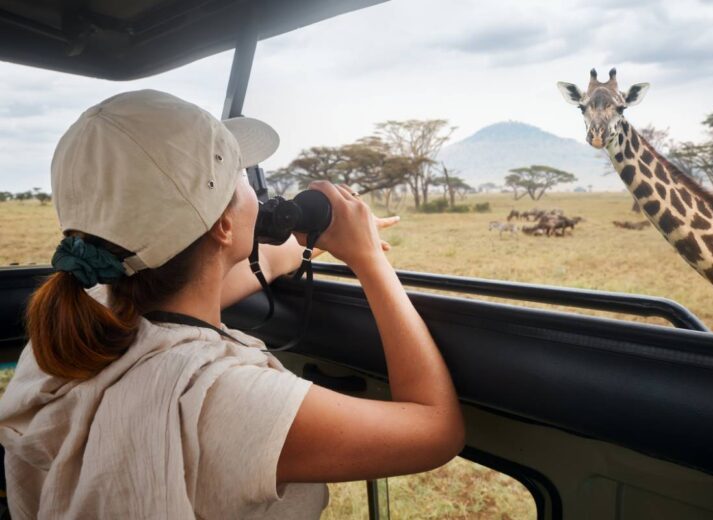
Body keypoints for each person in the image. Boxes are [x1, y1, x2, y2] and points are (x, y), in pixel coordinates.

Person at [0, 90, 464, 519]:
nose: (256, 194)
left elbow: (221, 271)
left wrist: (315, 237)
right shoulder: (219, 398)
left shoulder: (74, 330)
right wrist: (368, 262)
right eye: (241, 177)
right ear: (223, 224)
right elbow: (437, 430)